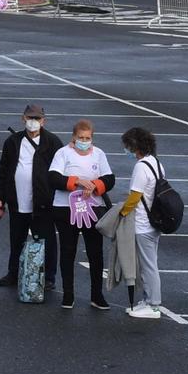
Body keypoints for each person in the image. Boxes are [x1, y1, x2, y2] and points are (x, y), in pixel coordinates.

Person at [47, 119, 112, 310]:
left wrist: (95, 186)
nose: (84, 141)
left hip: (92, 207)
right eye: (81, 138)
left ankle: (96, 295)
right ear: (74, 137)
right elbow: (53, 177)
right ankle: (68, 295)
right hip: (66, 208)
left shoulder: (99, 154)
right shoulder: (63, 153)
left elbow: (109, 178)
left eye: (88, 138)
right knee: (68, 250)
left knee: (95, 252)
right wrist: (77, 182)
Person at [0, 104, 60, 291]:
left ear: (43, 121)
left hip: (42, 203)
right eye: (30, 118)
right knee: (17, 239)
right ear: (23, 118)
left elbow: (59, 172)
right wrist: (1, 197)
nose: (33, 122)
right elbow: (4, 171)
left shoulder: (52, 142)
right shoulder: (12, 142)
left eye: (37, 118)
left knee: (46, 240)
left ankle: (48, 277)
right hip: (18, 201)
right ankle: (13, 273)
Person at [111, 128, 166, 319]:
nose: (126, 149)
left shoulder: (141, 166)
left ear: (135, 146)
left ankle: (153, 304)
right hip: (153, 223)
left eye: (127, 146)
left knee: (148, 265)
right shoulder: (156, 163)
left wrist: (123, 213)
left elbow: (135, 195)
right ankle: (148, 300)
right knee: (148, 263)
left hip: (143, 223)